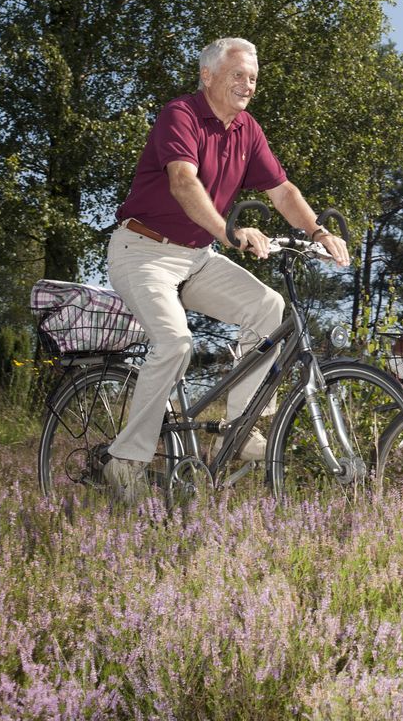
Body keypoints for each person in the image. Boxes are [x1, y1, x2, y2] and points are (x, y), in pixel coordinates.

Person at [103, 37, 349, 503]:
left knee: (270, 309)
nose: (247, 85)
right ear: (208, 76)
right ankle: (127, 460)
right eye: (238, 74)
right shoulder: (180, 115)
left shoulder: (246, 130)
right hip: (143, 250)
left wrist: (318, 232)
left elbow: (282, 191)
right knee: (175, 341)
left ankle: (239, 429)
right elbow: (182, 182)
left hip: (195, 256)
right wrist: (229, 233)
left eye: (253, 78)